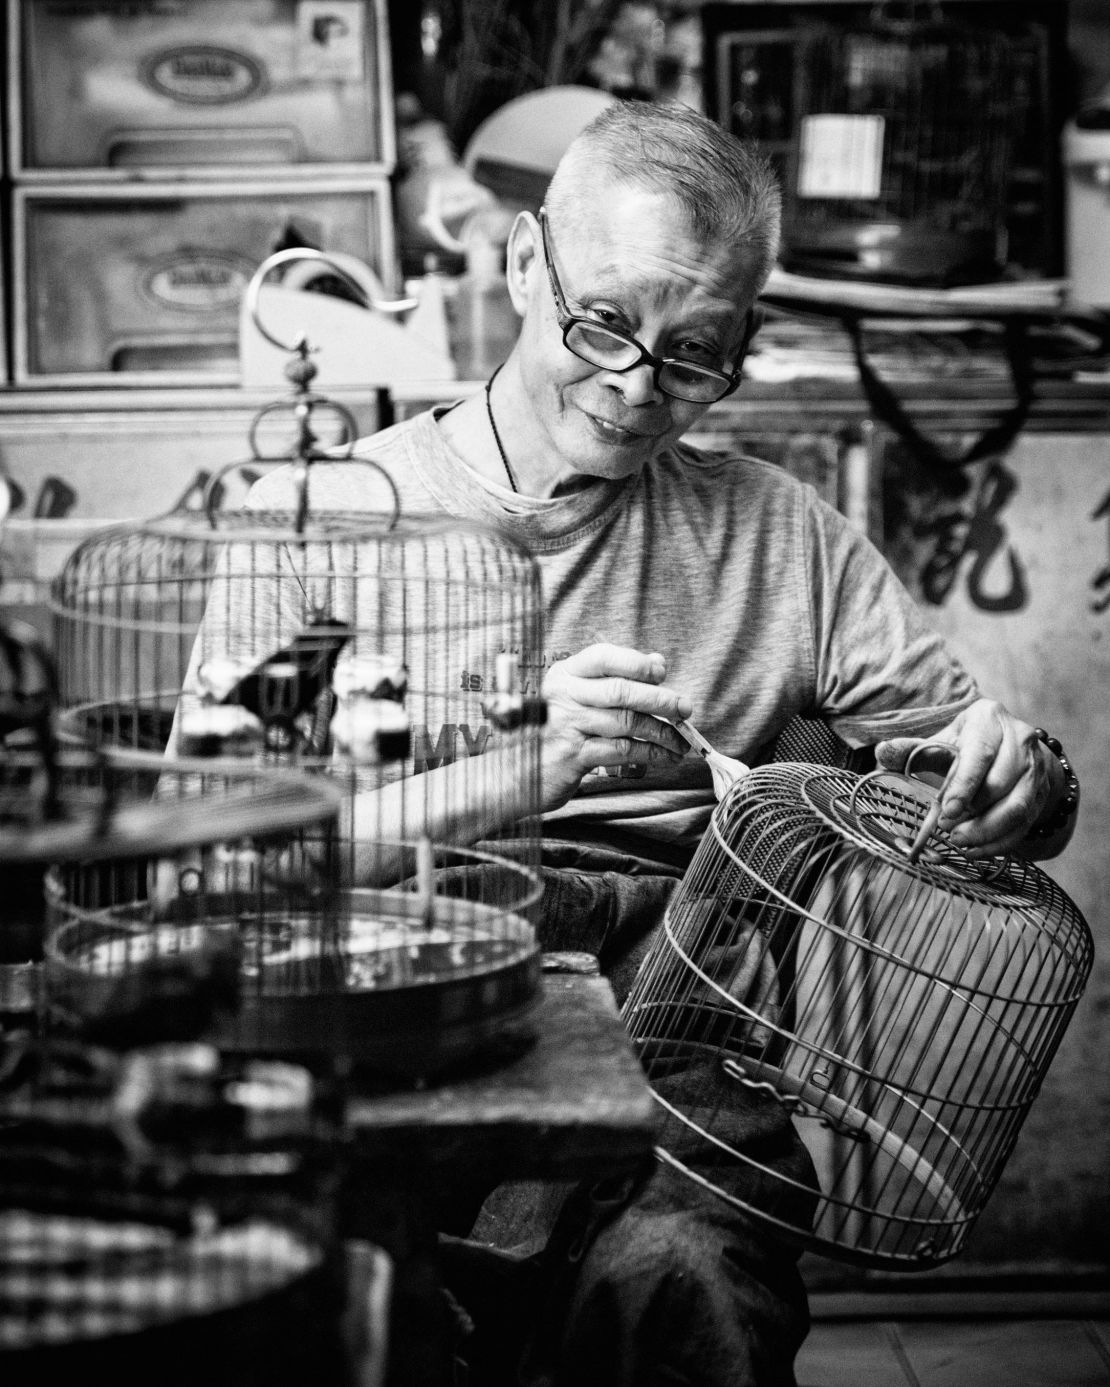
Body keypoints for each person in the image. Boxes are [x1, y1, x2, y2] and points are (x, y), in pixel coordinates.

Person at [190, 100, 1079, 1386]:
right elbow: (211, 879)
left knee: (682, 1285)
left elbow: (1009, 788)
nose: (631, 387)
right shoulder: (314, 523)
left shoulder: (781, 538)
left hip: (673, 1069)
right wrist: (514, 770)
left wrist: (1022, 783)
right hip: (378, 1059)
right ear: (522, 264)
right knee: (327, 1300)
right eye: (602, 323)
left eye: (692, 354)